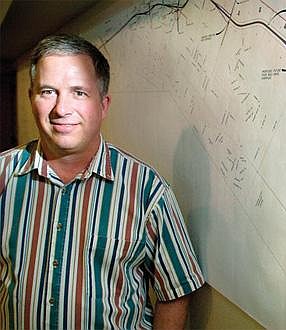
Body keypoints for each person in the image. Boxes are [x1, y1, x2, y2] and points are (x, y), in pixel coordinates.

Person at [0, 34, 204, 329]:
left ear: (103, 105)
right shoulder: (4, 176)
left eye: (79, 93)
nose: (61, 109)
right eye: (48, 91)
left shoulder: (148, 191)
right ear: (31, 97)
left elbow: (175, 292)